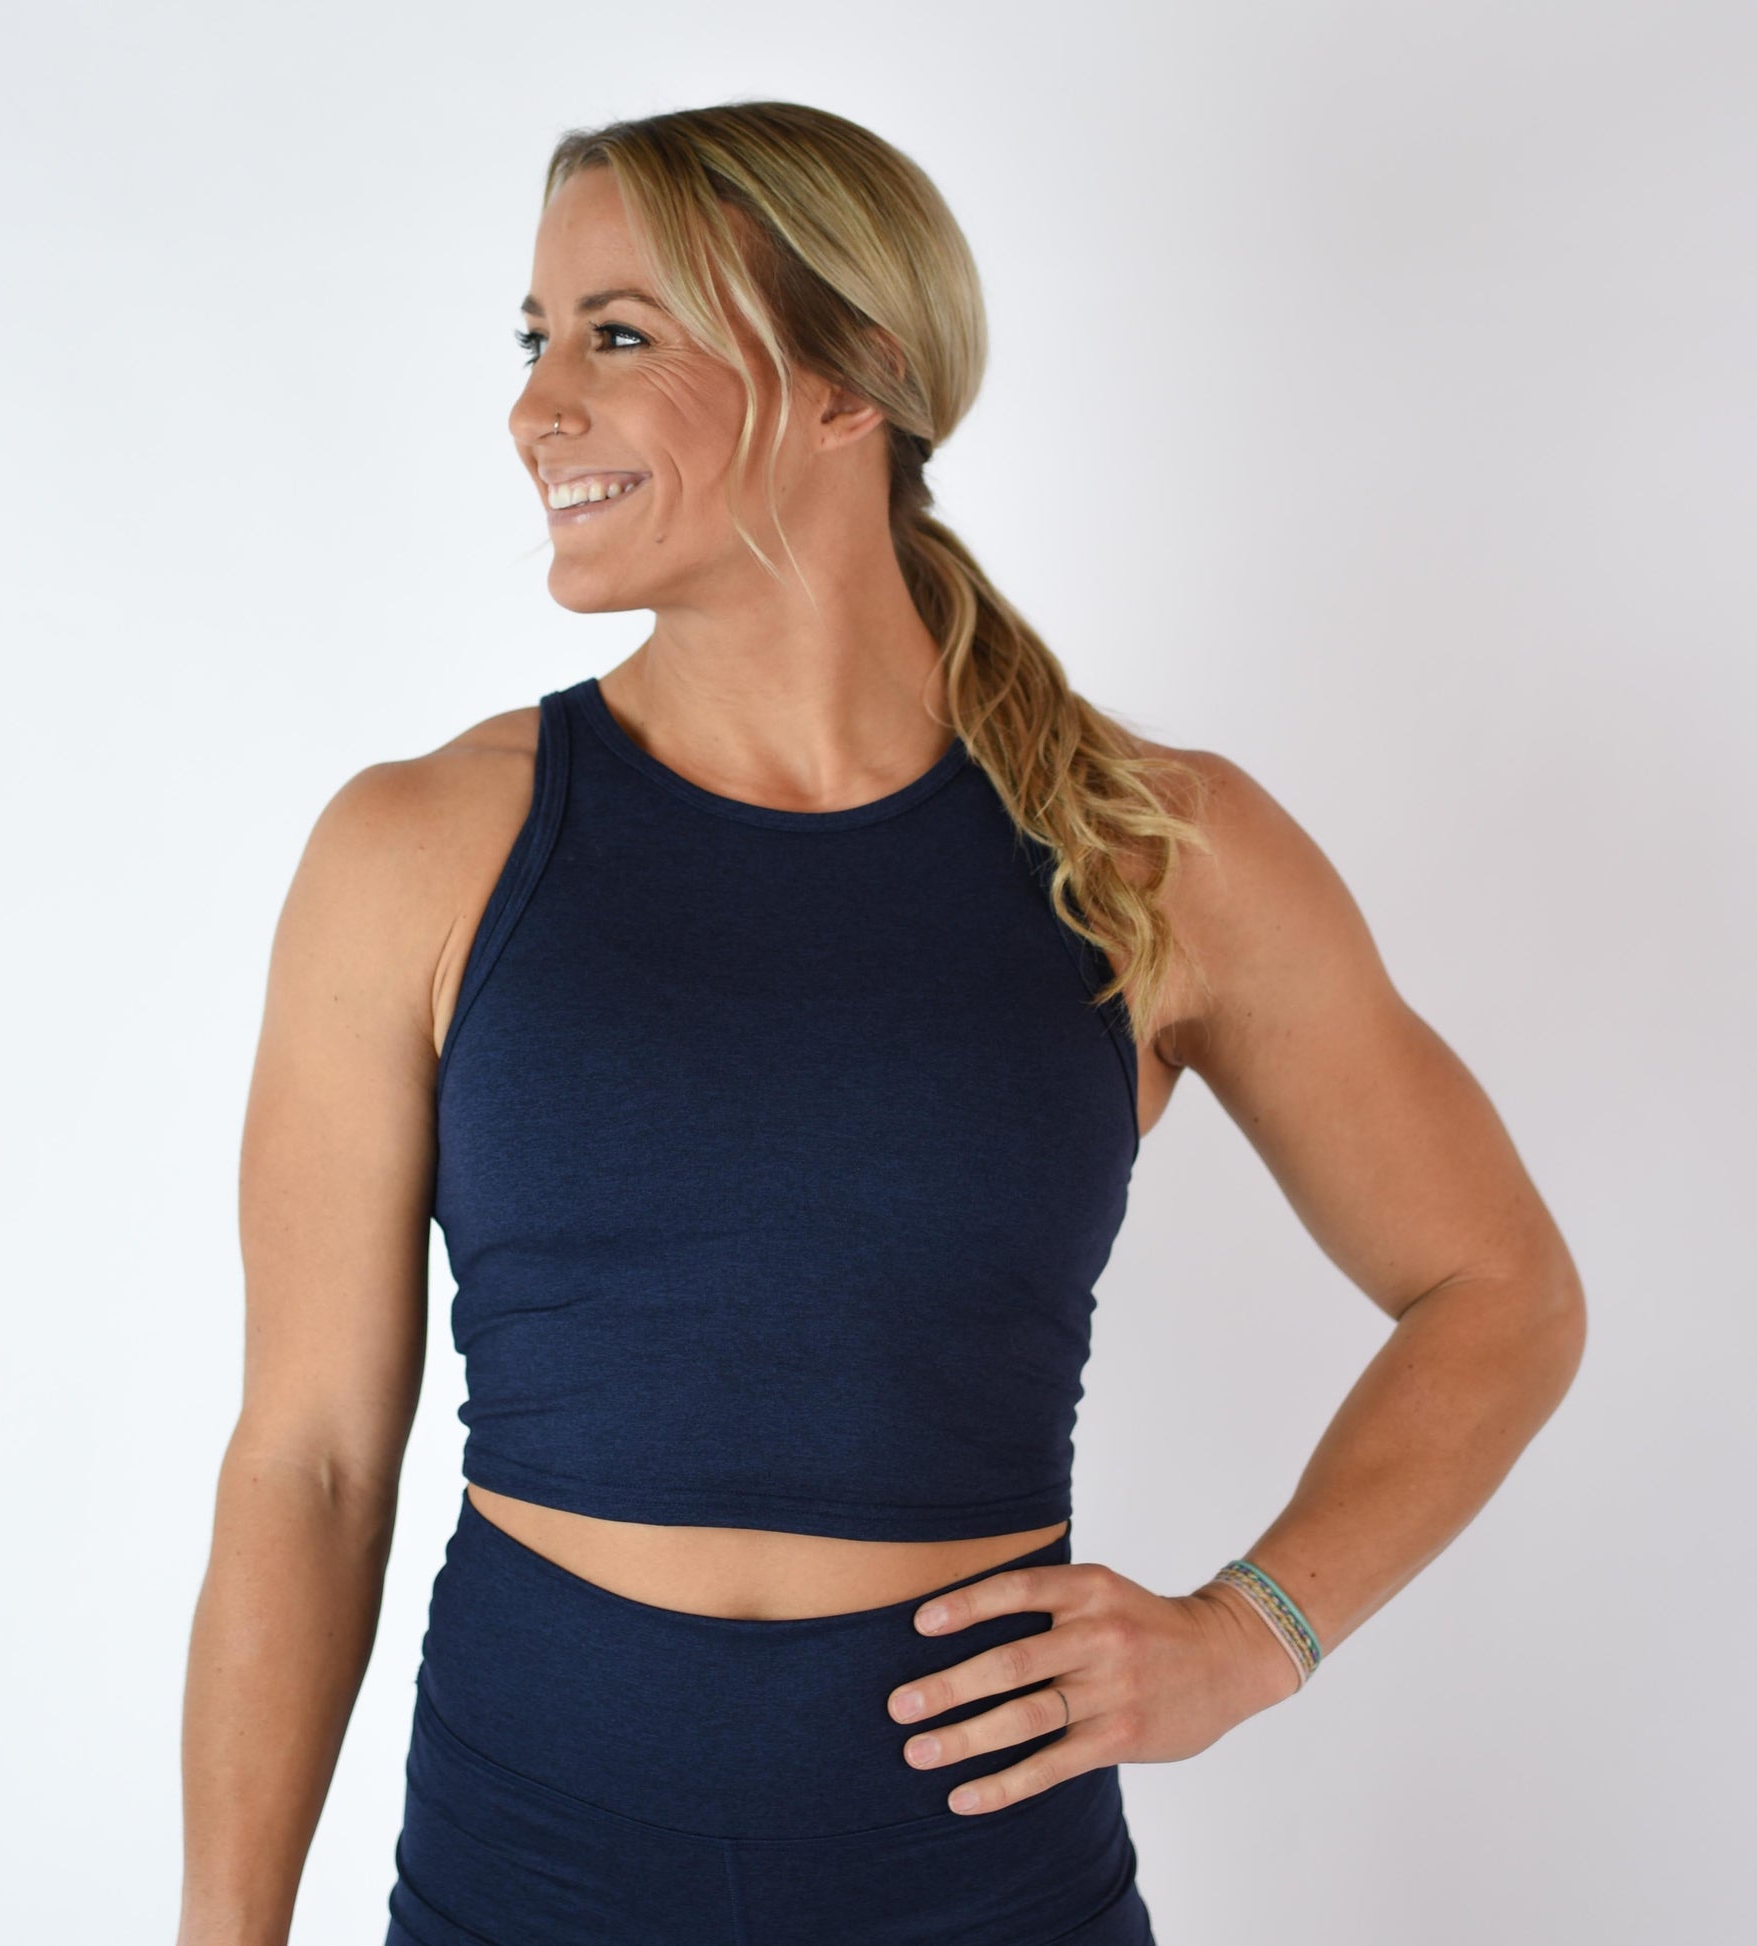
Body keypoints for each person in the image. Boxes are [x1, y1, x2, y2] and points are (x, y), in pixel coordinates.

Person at [175, 100, 1586, 1946]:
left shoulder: (1155, 852)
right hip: (529, 1875)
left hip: (983, 1885)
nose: (537, 408)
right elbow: (310, 1461)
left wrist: (1253, 1634)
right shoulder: (424, 849)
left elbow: (1497, 1287)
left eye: (618, 333)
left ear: (852, 378)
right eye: (534, 340)